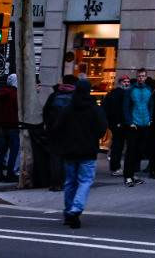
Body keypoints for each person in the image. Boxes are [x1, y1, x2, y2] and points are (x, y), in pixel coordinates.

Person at [46, 77, 109, 230]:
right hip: (87, 150)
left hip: (69, 150)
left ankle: (69, 211)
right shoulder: (94, 108)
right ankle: (76, 209)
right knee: (85, 181)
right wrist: (93, 136)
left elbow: (57, 127)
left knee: (70, 182)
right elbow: (102, 127)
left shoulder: (68, 107)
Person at [0, 74, 21, 183]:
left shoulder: (1, 93)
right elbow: (19, 109)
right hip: (13, 125)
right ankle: (10, 173)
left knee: (2, 150)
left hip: (3, 125)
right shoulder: (15, 94)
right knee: (14, 150)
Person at [124, 68, 153, 184]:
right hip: (134, 124)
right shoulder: (130, 90)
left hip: (145, 123)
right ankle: (128, 176)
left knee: (138, 151)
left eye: (143, 76)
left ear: (146, 77)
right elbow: (125, 107)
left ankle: (133, 174)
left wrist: (150, 119)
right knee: (131, 151)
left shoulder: (148, 89)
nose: (141, 78)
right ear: (137, 77)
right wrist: (129, 121)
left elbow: (151, 105)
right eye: (139, 76)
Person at [102, 73, 131, 176]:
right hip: (119, 124)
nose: (127, 84)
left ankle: (116, 166)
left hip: (120, 123)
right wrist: (116, 122)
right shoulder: (117, 94)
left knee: (118, 145)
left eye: (128, 82)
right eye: (125, 82)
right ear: (120, 83)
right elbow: (113, 110)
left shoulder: (119, 93)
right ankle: (115, 167)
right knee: (118, 146)